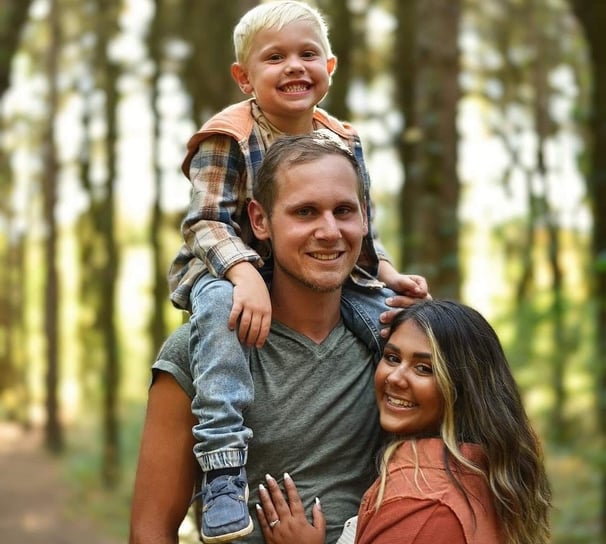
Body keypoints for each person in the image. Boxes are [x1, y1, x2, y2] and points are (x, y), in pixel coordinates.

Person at [166, 2, 427, 542]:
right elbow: (205, 224)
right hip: (223, 271)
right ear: (244, 78)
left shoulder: (344, 140)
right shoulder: (226, 137)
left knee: (397, 322)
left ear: (330, 68)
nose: (294, 67)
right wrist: (243, 273)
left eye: (308, 54)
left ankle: (417, 461)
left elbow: (363, 232)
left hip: (321, 278)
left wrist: (389, 273)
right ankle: (222, 466)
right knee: (218, 315)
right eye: (275, 57)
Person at [130, 133, 424, 544]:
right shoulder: (199, 352)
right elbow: (150, 532)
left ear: (364, 218)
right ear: (260, 220)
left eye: (344, 211)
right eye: (305, 212)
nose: (329, 231)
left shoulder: (396, 348)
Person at [255, 300, 553, 544]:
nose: (395, 378)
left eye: (424, 368)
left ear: (463, 387)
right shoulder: (482, 469)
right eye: (393, 358)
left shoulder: (422, 506)